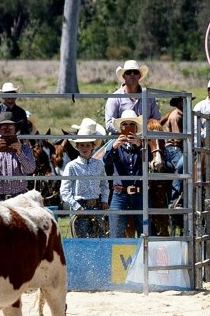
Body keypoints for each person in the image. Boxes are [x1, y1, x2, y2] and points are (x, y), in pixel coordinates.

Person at [60, 118, 110, 238]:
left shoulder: (99, 164)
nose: (85, 148)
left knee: (99, 237)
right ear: (77, 146)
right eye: (82, 145)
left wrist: (104, 200)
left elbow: (104, 184)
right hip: (79, 205)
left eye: (88, 145)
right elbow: (64, 191)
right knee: (81, 239)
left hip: (97, 205)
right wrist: (76, 206)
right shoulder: (72, 166)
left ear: (93, 146)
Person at [104, 109, 147, 238]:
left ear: (136, 128)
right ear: (121, 128)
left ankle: (144, 252)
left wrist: (140, 146)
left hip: (139, 193)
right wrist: (114, 146)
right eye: (125, 125)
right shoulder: (115, 145)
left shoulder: (142, 145)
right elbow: (106, 161)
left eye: (131, 124)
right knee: (115, 233)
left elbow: (149, 159)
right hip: (120, 193)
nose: (128, 127)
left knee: (145, 233)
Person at [0, 114, 37, 200]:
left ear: (15, 130)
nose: (7, 131)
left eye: (10, 128)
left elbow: (30, 169)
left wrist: (20, 152)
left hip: (19, 197)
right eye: (4, 129)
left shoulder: (25, 148)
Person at [104, 59, 161, 133]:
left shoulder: (149, 98)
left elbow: (156, 120)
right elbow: (109, 124)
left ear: (139, 76)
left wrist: (143, 131)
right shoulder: (115, 98)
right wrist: (127, 131)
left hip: (145, 137)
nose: (132, 75)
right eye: (128, 72)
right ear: (124, 76)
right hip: (121, 137)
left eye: (135, 72)